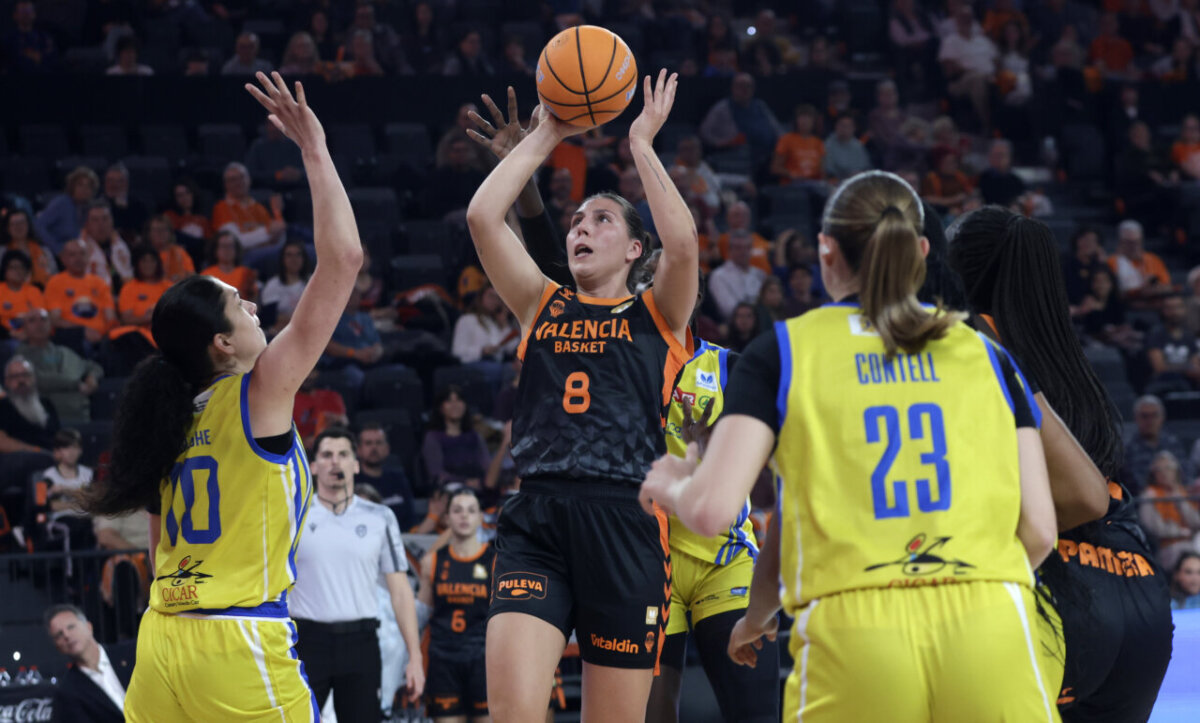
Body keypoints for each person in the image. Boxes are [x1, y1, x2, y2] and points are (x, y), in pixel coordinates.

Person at [640, 171, 1058, 721]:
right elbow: (1040, 532)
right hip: (991, 617)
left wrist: (674, 484)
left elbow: (717, 509)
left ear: (826, 250)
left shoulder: (786, 351)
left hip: (856, 627)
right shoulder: (987, 354)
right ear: (923, 250)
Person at [81, 71, 365, 721]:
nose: (255, 302)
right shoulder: (257, 390)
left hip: (162, 636)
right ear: (222, 343)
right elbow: (344, 258)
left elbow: (157, 546)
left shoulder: (165, 418)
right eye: (240, 303)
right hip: (236, 637)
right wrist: (315, 149)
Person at [465, 69, 697, 721]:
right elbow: (484, 217)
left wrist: (642, 145)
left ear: (633, 247)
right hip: (537, 515)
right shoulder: (541, 302)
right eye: (575, 220)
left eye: (600, 218)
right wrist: (542, 136)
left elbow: (683, 244)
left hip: (624, 520)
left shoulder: (659, 314)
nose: (580, 227)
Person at [948, 205, 1174, 722]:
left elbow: (1082, 497)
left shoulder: (967, 344)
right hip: (1137, 589)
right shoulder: (1063, 352)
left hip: (1054, 594)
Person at [645, 336, 777, 723]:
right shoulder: (619, 360)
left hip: (724, 557)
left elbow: (771, 466)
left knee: (755, 713)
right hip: (649, 558)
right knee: (652, 715)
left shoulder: (728, 366)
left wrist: (723, 450)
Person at [290, 428, 424, 721]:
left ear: (356, 464)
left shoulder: (380, 517)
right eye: (326, 455)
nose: (334, 462)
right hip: (306, 643)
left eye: (343, 454)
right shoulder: (293, 514)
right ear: (313, 466)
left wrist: (415, 656)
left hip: (360, 643)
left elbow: (401, 592)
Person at [418, 487, 495, 722]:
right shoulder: (432, 561)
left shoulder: (495, 560)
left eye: (471, 511)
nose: (464, 516)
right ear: (447, 518)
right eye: (457, 510)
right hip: (443, 659)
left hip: (482, 658)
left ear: (480, 518)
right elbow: (421, 615)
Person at [45, 604, 136, 723]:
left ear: (89, 627)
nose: (66, 635)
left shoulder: (132, 652)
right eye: (59, 635)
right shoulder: (67, 693)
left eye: (71, 627)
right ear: (57, 647)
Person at [16, 309, 102, 425]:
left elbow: (93, 366)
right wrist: (76, 384)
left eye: (44, 319)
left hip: (80, 418)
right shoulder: (20, 358)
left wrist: (92, 378)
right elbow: (38, 379)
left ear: (51, 325)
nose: (39, 324)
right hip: (45, 421)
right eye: (32, 321)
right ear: (24, 329)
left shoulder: (64, 352)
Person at [421, 385, 491, 489]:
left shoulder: (474, 435)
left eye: (459, 400)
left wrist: (480, 481)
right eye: (449, 401)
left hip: (479, 486)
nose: (455, 405)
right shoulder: (433, 437)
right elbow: (436, 472)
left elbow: (486, 465)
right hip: (449, 489)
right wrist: (464, 482)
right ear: (440, 407)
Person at [356, 422, 416, 529]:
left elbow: (410, 519)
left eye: (379, 443)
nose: (374, 448)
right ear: (359, 450)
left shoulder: (398, 479)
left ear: (387, 449)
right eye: (368, 443)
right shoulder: (352, 482)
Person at [260, 240, 311, 335]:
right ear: (282, 259)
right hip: (279, 333)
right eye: (289, 255)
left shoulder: (312, 282)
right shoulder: (273, 285)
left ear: (304, 258)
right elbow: (268, 317)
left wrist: (284, 318)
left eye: (298, 254)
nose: (294, 259)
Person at [4, 208, 57, 287]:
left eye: (22, 222)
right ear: (8, 228)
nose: (18, 227)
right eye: (14, 223)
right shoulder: (2, 252)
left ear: (28, 225)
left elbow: (55, 276)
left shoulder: (44, 251)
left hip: (42, 293)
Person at [201, 230, 258, 301]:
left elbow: (254, 302)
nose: (227, 250)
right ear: (215, 250)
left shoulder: (246, 273)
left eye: (230, 246)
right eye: (223, 246)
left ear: (236, 249)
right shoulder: (207, 275)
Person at [0, 250, 45, 338]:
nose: (18, 271)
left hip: (33, 336)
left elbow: (42, 317)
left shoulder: (34, 291)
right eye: (14, 267)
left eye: (21, 268)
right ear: (5, 270)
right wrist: (11, 334)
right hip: (5, 337)